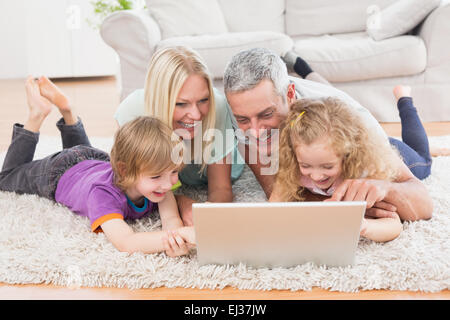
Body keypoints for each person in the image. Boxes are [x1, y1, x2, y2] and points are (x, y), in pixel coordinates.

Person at [223, 47, 433, 222]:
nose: (256, 132)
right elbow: (278, 195)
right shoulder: (240, 110)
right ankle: (304, 68)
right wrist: (341, 208)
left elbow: (424, 204)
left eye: (266, 114)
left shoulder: (356, 126)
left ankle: (405, 100)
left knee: (422, 160)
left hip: (372, 146)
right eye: (243, 120)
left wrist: (385, 190)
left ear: (290, 95)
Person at [0, 76, 195, 256]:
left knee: (82, 150)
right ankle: (36, 115)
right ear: (125, 170)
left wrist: (176, 239)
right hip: (58, 172)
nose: (168, 184)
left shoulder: (160, 184)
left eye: (174, 172)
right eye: (156, 177)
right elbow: (126, 242)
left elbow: (171, 221)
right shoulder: (102, 195)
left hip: (94, 159)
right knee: (7, 178)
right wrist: (182, 236)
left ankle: (68, 110)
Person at [114, 46, 245, 226]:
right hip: (170, 177)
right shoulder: (132, 112)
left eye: (203, 100)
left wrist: (209, 219)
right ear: (161, 99)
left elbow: (221, 188)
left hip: (208, 171)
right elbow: (132, 181)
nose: (196, 115)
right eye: (182, 104)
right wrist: (181, 201)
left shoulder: (218, 106)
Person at [270, 97, 405, 242]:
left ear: (347, 154)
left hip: (406, 158)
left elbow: (394, 224)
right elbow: (272, 208)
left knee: (422, 158)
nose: (315, 176)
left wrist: (364, 226)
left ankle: (405, 102)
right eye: (305, 165)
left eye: (327, 166)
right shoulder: (292, 167)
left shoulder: (364, 170)